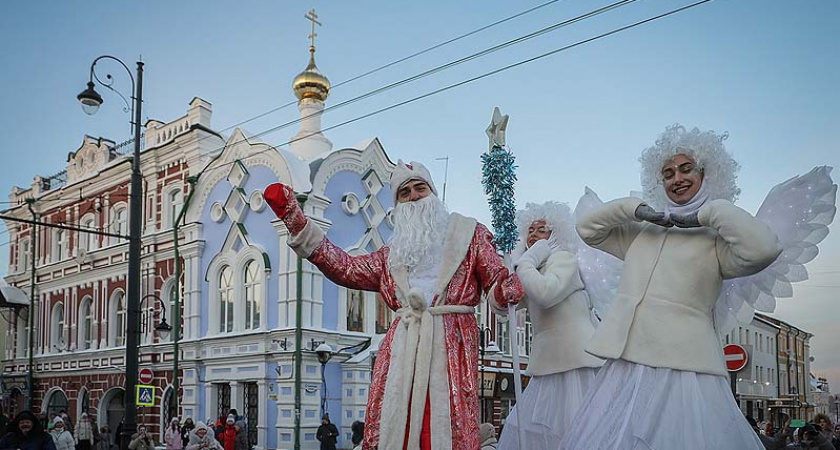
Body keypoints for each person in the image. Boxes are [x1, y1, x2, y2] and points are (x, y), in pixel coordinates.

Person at [264, 160, 524, 450]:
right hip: (401, 350)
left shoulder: (469, 235)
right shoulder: (392, 256)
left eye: (420, 188)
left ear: (433, 194)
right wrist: (298, 223)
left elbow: (496, 282)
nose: (413, 196)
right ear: (398, 204)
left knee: (447, 426)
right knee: (393, 423)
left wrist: (506, 290)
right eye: (404, 192)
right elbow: (345, 267)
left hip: (451, 347)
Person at [561, 124, 782, 449]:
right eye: (667, 173)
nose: (676, 178)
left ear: (707, 172)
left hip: (685, 368)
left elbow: (764, 248)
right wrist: (636, 210)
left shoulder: (717, 241)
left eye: (686, 168)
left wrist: (708, 214)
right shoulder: (642, 232)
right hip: (629, 365)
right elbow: (587, 228)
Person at [495, 201, 604, 450]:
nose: (533, 236)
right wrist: (501, 291)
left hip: (574, 359)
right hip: (549, 360)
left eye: (541, 230)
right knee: (538, 430)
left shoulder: (563, 259)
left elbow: (546, 292)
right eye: (530, 230)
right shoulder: (533, 267)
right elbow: (504, 308)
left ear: (556, 233)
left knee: (576, 428)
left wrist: (524, 262)